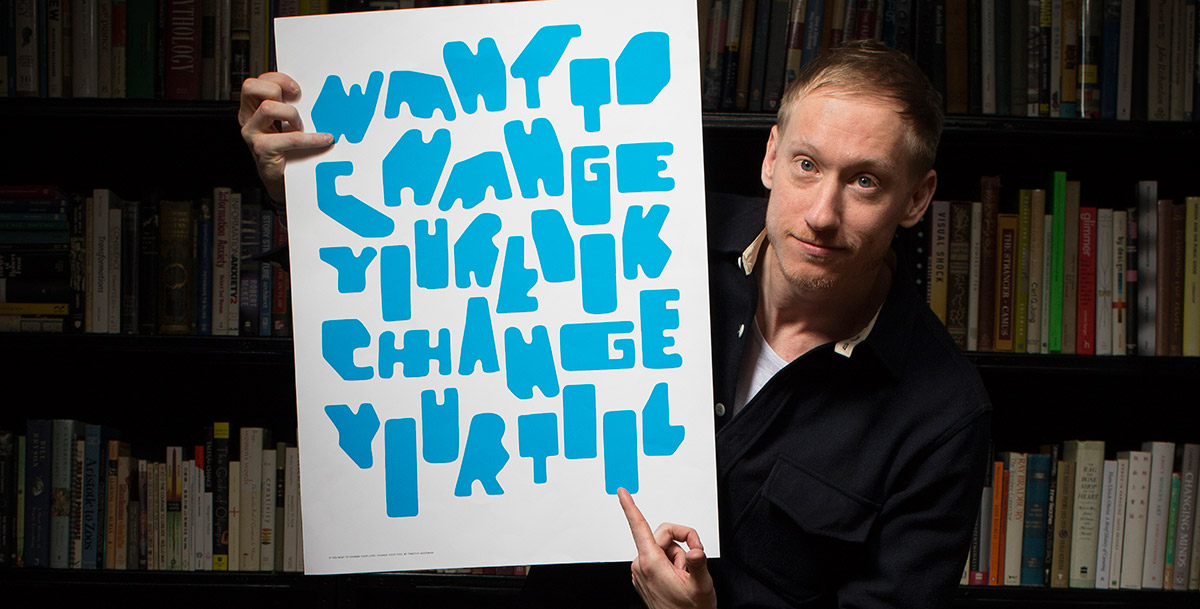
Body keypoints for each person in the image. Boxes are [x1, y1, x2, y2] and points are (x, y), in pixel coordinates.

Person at [239, 39, 991, 609]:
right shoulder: (642, 230)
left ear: (917, 199)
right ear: (770, 156)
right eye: (806, 165)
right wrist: (303, 184)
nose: (822, 213)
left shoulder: (942, 416)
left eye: (865, 182)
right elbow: (440, 265)